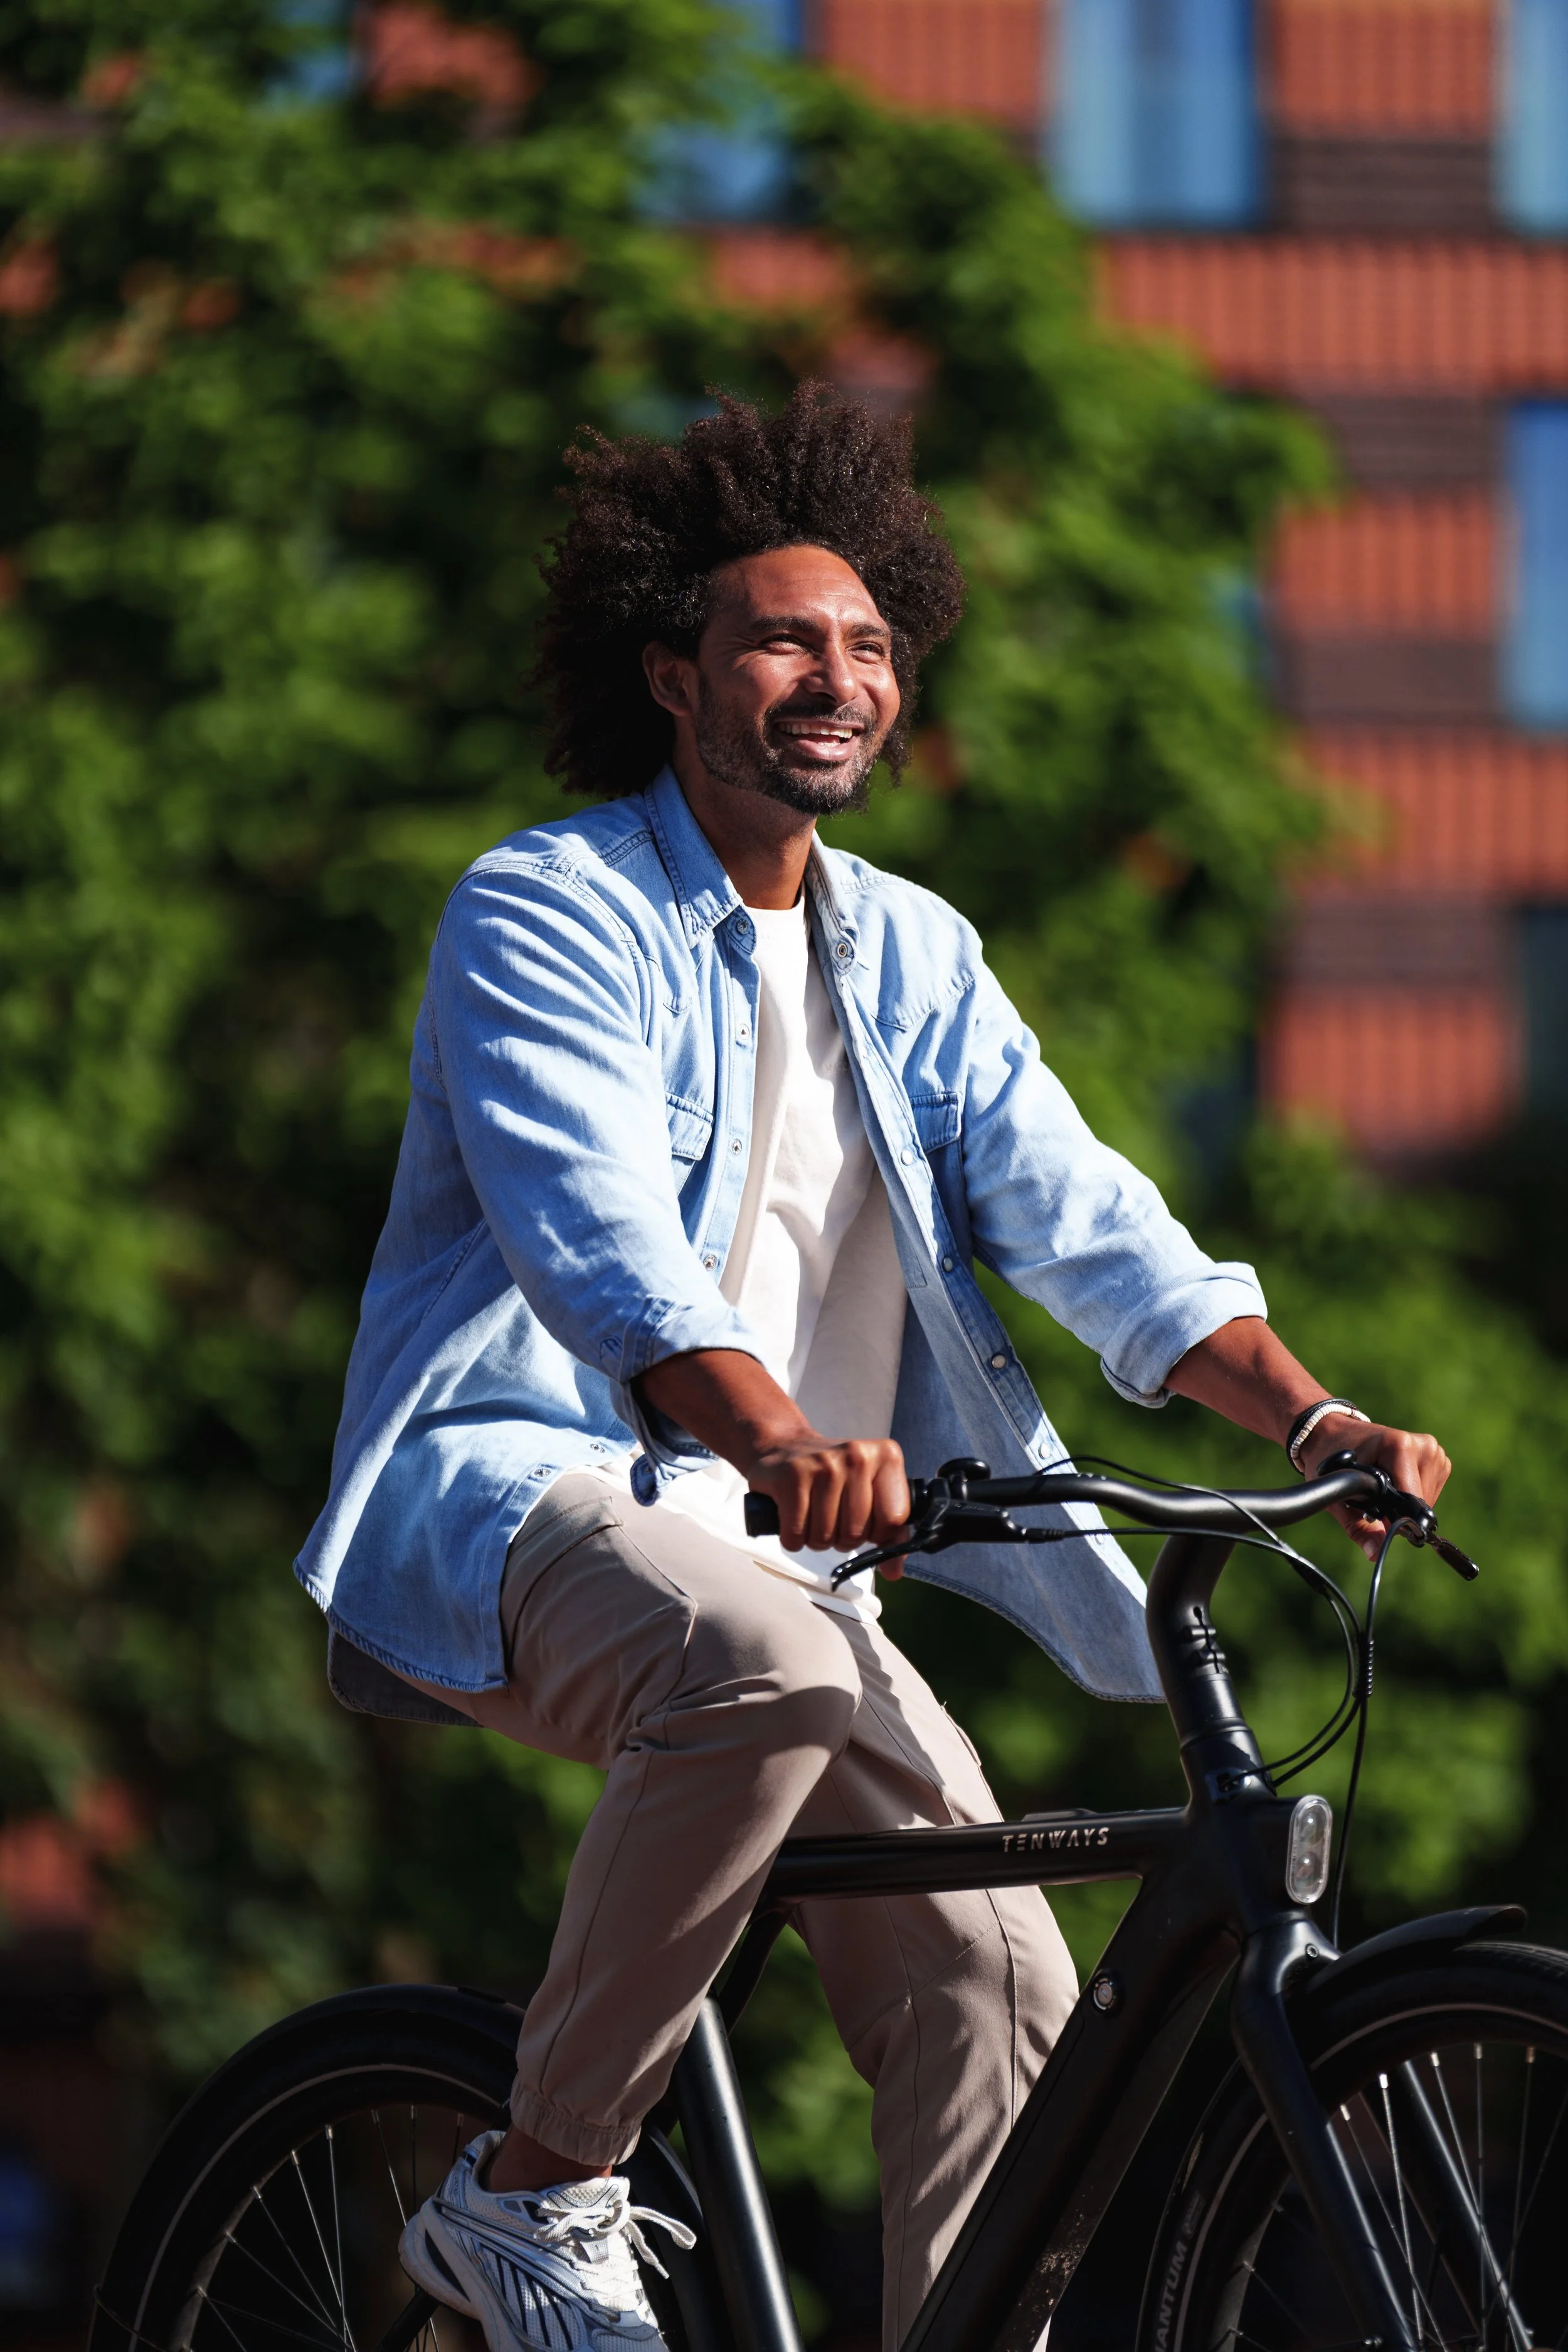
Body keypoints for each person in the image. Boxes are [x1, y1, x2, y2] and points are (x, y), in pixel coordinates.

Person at [296, 384, 1450, 2352]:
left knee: (999, 1983)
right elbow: (608, 1251)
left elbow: (1093, 1219)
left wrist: (1316, 1416)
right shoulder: (544, 910)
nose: (833, 678)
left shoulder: (910, 948)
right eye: (777, 638)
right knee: (761, 1652)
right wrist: (783, 1443)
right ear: (673, 674)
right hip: (529, 1492)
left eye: (868, 646)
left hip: (789, 1556)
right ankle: (538, 2189)